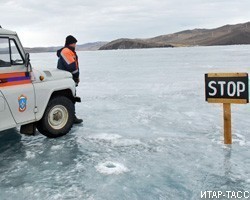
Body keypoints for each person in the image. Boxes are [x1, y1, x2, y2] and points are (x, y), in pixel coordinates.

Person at [57, 35, 83, 124]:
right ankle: (71, 117)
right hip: (67, 78)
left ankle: (70, 116)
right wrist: (76, 77)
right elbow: (72, 67)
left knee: (69, 97)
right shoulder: (66, 52)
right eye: (75, 43)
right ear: (71, 43)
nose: (75, 45)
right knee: (70, 97)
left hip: (67, 78)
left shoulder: (68, 51)